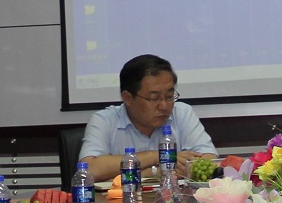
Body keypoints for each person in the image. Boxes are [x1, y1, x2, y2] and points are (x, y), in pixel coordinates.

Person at [79, 53, 218, 183]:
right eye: (154, 98)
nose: (164, 105)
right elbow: (88, 170)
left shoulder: (182, 113)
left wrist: (141, 173)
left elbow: (211, 161)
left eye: (169, 96)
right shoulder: (104, 120)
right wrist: (156, 157)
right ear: (128, 98)